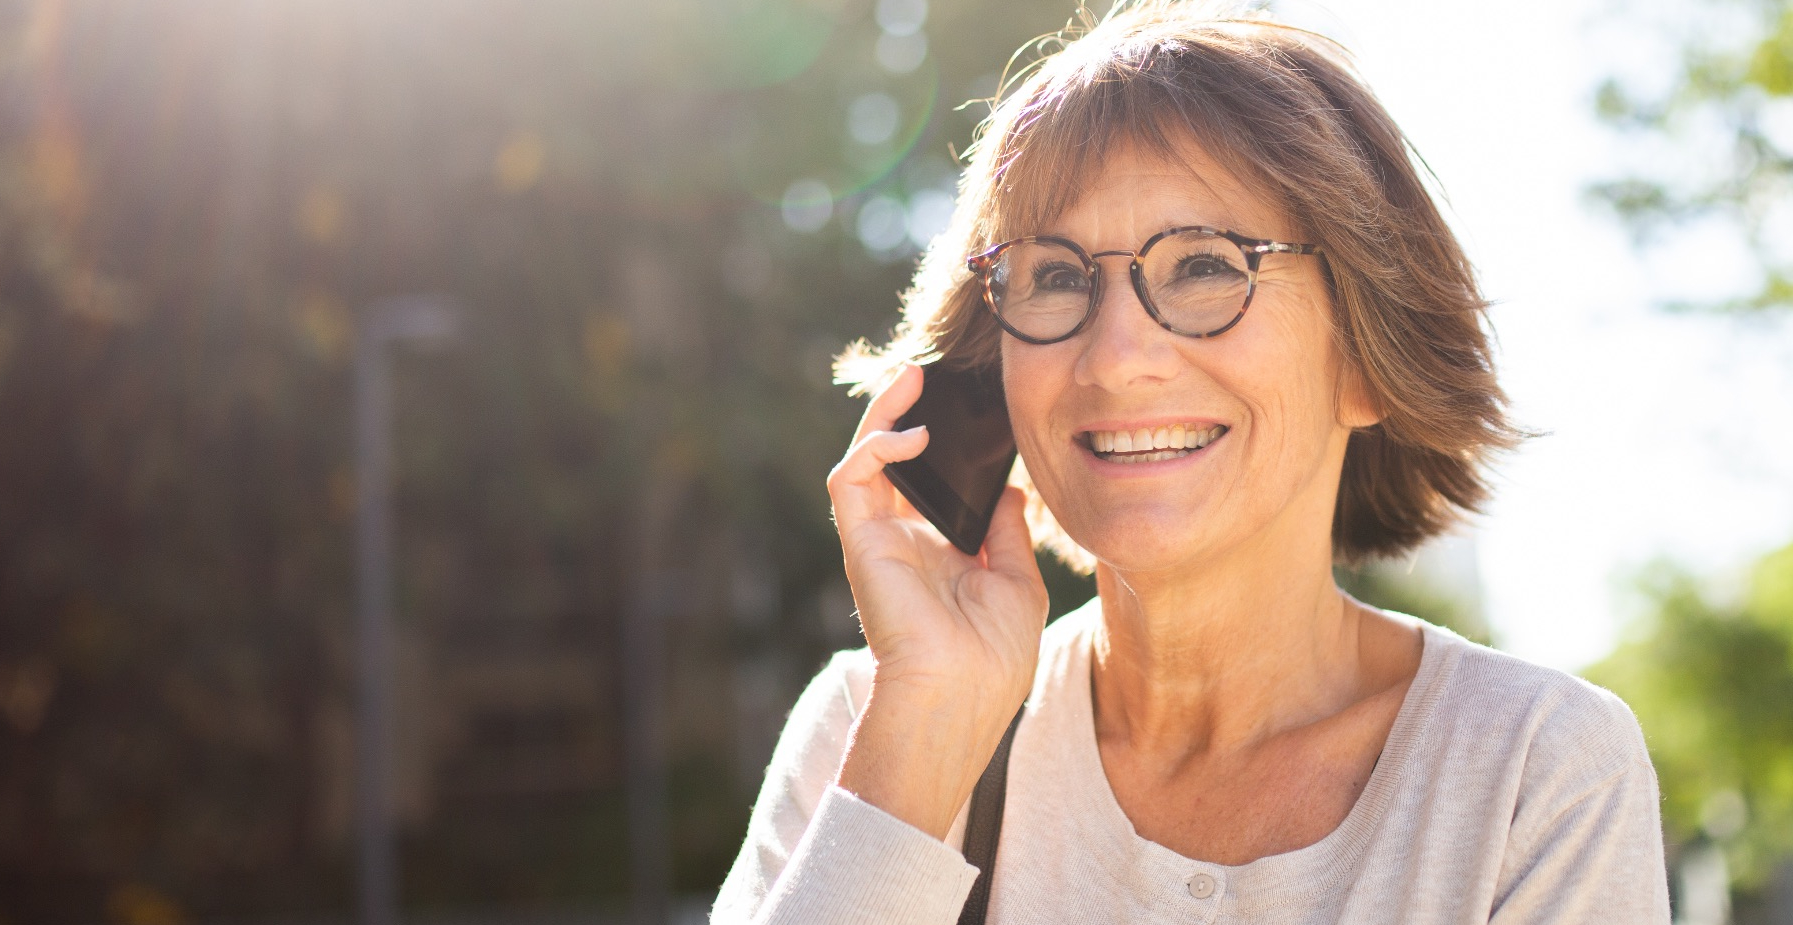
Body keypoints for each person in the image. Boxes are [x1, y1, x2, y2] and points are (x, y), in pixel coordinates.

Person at [710, 2, 1670, 923]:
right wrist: (915, 753)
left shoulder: (1535, 774)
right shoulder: (868, 727)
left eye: (1207, 264)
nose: (1117, 357)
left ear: (1368, 360)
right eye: (1053, 276)